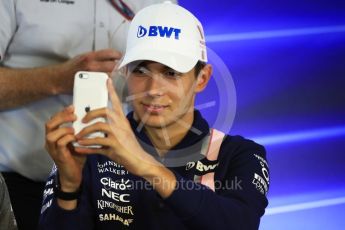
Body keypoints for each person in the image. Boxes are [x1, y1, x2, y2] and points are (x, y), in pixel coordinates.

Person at [39, 2, 270, 230]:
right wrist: (68, 187)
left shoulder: (240, 154)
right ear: (126, 72)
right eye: (141, 70)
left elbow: (241, 223)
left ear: (202, 78)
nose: (153, 88)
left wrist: (144, 164)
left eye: (171, 73)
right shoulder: (91, 149)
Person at [0, 0, 176, 229]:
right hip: (21, 185)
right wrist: (57, 79)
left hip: (122, 186)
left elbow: (173, 82)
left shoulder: (160, 4)